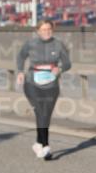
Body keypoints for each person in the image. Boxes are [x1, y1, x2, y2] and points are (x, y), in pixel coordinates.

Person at [16, 19, 71, 159]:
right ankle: (46, 146)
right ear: (38, 31)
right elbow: (20, 57)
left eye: (49, 29)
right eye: (43, 29)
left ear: (52, 30)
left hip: (51, 84)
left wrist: (59, 68)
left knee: (45, 115)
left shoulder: (58, 45)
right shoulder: (31, 44)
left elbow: (68, 63)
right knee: (40, 111)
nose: (46, 32)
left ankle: (38, 143)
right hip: (32, 83)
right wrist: (20, 71)